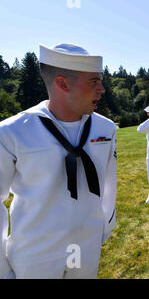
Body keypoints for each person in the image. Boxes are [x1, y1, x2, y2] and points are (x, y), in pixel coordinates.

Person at [0, 44, 117, 279]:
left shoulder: (105, 127)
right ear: (63, 84)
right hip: (35, 255)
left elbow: (109, 184)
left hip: (86, 248)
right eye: (94, 82)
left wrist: (103, 229)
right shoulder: (12, 132)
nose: (102, 90)